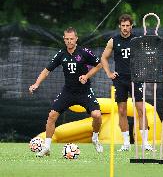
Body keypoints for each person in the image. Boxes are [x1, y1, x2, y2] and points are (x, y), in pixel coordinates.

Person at [29, 27, 103, 157]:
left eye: (71, 39)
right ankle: (46, 147)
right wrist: (36, 84)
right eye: (67, 39)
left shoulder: (84, 52)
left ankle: (95, 138)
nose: (69, 41)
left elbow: (99, 64)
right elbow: (47, 70)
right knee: (52, 115)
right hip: (68, 92)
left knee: (97, 115)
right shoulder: (61, 54)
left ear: (76, 39)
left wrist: (86, 76)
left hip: (84, 91)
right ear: (64, 39)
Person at [101, 14, 153, 151]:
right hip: (120, 80)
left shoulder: (137, 40)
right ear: (120, 26)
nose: (125, 28)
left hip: (136, 79)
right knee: (122, 110)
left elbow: (147, 57)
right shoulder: (113, 41)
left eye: (127, 26)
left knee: (141, 109)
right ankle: (126, 143)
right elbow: (104, 58)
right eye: (123, 26)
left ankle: (145, 143)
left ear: (131, 26)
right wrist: (109, 73)